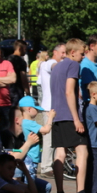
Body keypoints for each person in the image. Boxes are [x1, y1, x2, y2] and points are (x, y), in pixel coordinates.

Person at [51, 38, 97, 193]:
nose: (82, 56)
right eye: (81, 53)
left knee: (60, 153)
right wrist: (76, 118)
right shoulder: (73, 65)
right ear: (73, 52)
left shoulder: (57, 66)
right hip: (68, 114)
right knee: (83, 151)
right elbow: (69, 92)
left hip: (56, 114)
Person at [16, 96, 55, 193]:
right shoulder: (28, 122)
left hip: (31, 157)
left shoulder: (27, 122)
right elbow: (45, 130)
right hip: (30, 157)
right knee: (30, 179)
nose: (37, 111)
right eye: (35, 109)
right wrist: (50, 118)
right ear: (28, 109)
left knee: (30, 179)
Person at [38, 43, 66, 177]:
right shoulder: (49, 63)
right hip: (49, 108)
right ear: (55, 52)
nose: (65, 55)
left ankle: (55, 165)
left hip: (55, 107)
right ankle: (45, 167)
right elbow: (54, 67)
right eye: (63, 52)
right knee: (49, 139)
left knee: (57, 138)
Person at [7, 40, 31, 107]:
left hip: (8, 90)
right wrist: (28, 93)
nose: (25, 51)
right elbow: (23, 78)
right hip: (18, 91)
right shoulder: (21, 61)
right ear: (20, 49)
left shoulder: (7, 59)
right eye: (25, 49)